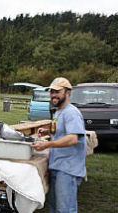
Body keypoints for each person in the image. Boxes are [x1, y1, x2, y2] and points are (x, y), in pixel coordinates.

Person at [31, 77, 86, 213]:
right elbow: (63, 131)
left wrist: (47, 144)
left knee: (65, 209)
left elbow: (73, 138)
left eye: (57, 92)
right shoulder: (58, 111)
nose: (53, 95)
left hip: (67, 169)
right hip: (57, 165)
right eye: (51, 92)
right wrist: (48, 131)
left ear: (68, 93)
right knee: (54, 207)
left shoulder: (71, 113)